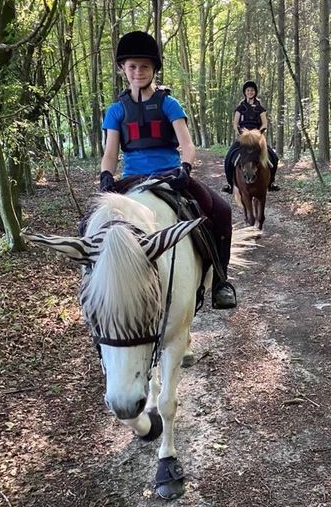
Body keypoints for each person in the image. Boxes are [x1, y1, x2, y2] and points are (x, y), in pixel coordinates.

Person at [99, 31, 237, 309]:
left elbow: (187, 145)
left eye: (145, 66)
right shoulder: (116, 111)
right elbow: (111, 152)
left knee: (222, 211)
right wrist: (106, 175)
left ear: (154, 69)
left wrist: (185, 167)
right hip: (132, 179)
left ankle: (221, 281)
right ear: (123, 69)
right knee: (90, 223)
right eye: (132, 66)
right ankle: (95, 282)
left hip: (171, 176)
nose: (138, 72)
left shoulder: (169, 104)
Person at [222, 80, 280, 194]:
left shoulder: (260, 108)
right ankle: (229, 184)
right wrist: (242, 133)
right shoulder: (240, 108)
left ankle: (271, 182)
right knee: (228, 158)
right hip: (243, 137)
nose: (250, 92)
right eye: (248, 90)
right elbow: (235, 124)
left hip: (257, 137)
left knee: (274, 157)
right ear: (245, 92)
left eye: (252, 90)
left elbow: (264, 123)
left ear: (255, 92)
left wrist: (258, 134)